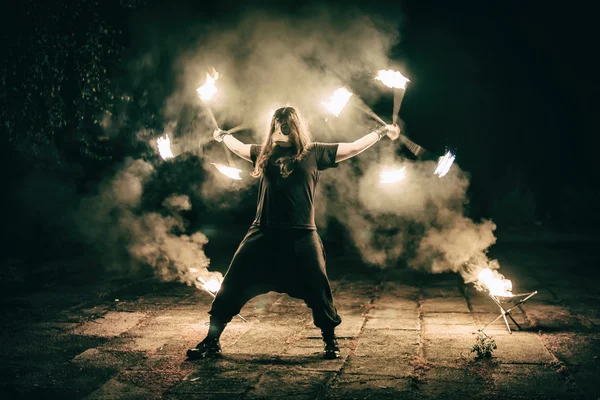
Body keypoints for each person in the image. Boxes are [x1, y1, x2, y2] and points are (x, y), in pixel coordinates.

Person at [187, 106, 400, 360]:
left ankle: (330, 340)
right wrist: (222, 137)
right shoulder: (263, 153)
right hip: (263, 233)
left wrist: (381, 131)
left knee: (318, 287)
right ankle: (212, 340)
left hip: (301, 236)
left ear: (294, 125)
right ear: (273, 125)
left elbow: (353, 147)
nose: (281, 127)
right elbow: (238, 148)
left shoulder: (314, 152)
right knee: (232, 285)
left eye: (286, 122)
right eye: (277, 122)